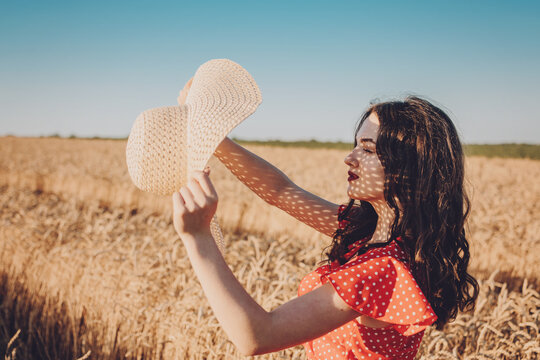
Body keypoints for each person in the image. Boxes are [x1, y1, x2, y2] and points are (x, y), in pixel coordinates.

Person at [172, 79, 479, 359]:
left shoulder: (384, 269)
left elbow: (256, 336)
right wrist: (212, 138)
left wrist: (198, 237)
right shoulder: (368, 233)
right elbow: (281, 191)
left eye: (369, 150)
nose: (351, 157)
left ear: (409, 166)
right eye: (356, 144)